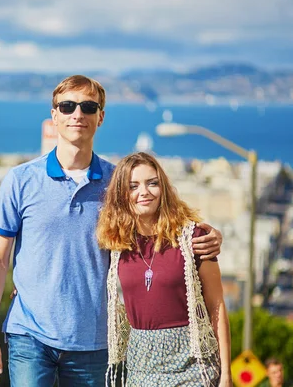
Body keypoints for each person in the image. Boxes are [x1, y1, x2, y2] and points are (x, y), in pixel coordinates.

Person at [0, 75, 223, 386]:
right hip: (30, 334)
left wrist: (210, 234)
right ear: (54, 115)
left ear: (100, 117)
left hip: (94, 342)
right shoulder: (20, 180)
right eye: (67, 107)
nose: (77, 114)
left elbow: (162, 220)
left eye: (87, 107)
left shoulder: (117, 184)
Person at [97, 152, 232, 386]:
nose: (144, 192)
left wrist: (226, 376)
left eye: (152, 183)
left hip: (193, 365)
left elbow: (216, 307)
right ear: (122, 195)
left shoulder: (195, 239)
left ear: (163, 188)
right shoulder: (117, 245)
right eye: (133, 186)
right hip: (140, 367)